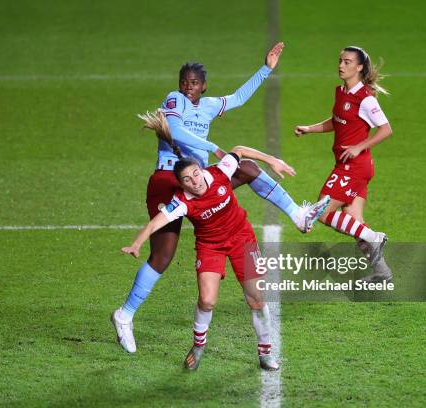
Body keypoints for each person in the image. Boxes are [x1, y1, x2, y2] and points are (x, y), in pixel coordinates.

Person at [111, 43, 330, 353]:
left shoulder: (211, 105)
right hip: (168, 179)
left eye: (195, 82)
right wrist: (214, 146)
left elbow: (239, 98)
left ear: (204, 86)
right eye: (185, 81)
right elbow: (174, 131)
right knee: (163, 256)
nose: (189, 87)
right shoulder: (174, 101)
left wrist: (266, 68)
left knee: (249, 168)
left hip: (200, 181)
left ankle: (297, 214)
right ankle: (125, 315)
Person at [122, 146, 323, 370]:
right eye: (187, 180)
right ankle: (198, 346)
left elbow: (238, 150)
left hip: (242, 238)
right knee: (207, 300)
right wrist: (137, 244)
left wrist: (271, 160)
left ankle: (265, 352)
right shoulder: (181, 202)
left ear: (201, 170)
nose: (195, 182)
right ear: (182, 184)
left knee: (257, 299)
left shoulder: (220, 172)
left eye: (195, 174)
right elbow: (155, 223)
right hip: (210, 247)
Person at [294, 46, 393, 282]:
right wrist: (311, 128)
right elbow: (337, 121)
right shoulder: (341, 91)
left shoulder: (365, 99)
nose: (341, 65)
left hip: (354, 166)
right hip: (350, 166)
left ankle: (375, 237)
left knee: (322, 211)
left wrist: (360, 146)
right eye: (340, 61)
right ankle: (382, 273)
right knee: (354, 223)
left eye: (347, 62)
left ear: (359, 68)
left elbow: (386, 129)